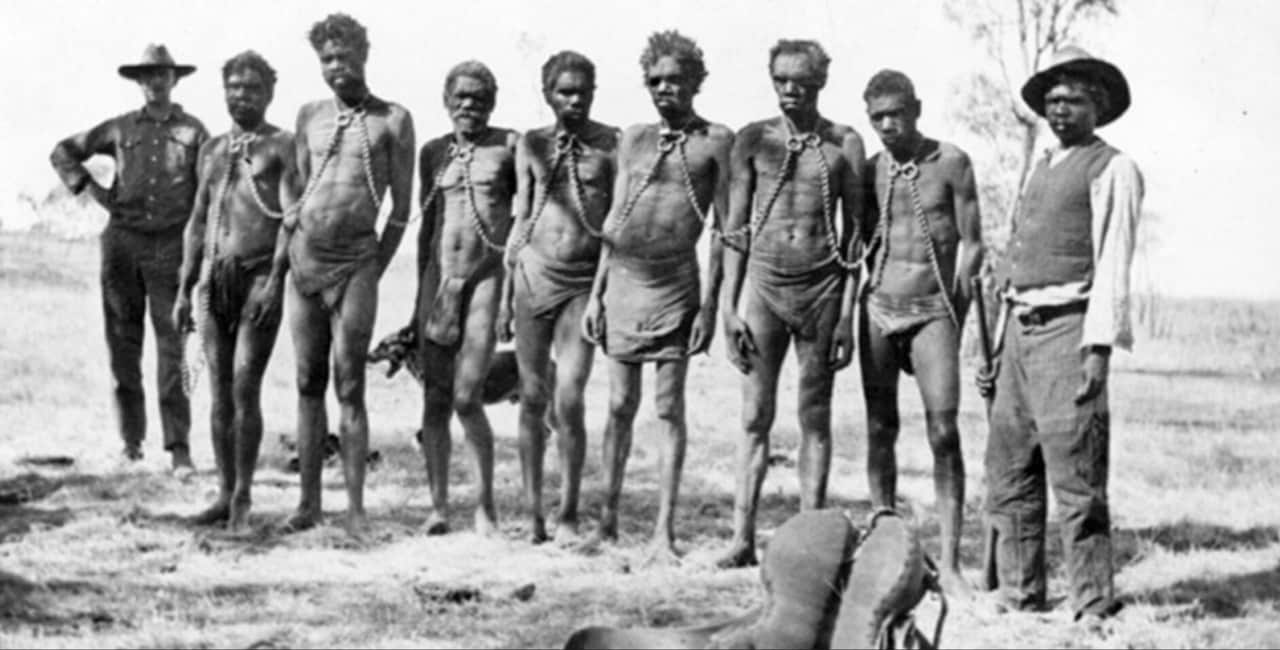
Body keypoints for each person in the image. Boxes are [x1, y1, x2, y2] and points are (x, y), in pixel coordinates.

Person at [976, 46, 1142, 623]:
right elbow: (1014, 260)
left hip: (1069, 332)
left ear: (1097, 106)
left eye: (1072, 100)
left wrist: (1097, 349)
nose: (1060, 110)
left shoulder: (1113, 167)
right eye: (1051, 102)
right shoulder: (1042, 164)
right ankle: (1020, 597)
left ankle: (1093, 605)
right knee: (1010, 470)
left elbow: (1113, 261)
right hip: (1018, 333)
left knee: (1077, 478)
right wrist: (995, 347)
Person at [581, 30, 731, 563]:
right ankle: (606, 522)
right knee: (620, 405)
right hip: (623, 281)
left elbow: (725, 232)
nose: (664, 88)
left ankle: (664, 533)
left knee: (668, 408)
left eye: (675, 80)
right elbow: (614, 218)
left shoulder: (717, 141)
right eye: (655, 80)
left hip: (676, 286)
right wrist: (597, 293)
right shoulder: (634, 139)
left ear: (696, 81)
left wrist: (712, 308)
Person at [716, 40, 865, 569]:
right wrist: (728, 308)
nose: (789, 89)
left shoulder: (844, 144)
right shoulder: (752, 140)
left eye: (800, 80)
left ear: (820, 82)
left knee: (814, 415)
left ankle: (809, 542)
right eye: (779, 78)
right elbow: (734, 229)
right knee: (755, 415)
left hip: (823, 291)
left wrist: (848, 311)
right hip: (762, 287)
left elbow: (856, 239)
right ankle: (741, 537)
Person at [279, 14, 415, 539]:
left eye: (345, 56)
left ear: (364, 54)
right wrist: (293, 232)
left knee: (350, 383)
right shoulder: (309, 115)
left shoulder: (393, 120)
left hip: (357, 262)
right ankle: (309, 504)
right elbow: (295, 183)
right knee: (308, 381)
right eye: (327, 59)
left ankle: (356, 511)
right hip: (305, 261)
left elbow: (401, 208)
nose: (337, 67)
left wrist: (375, 266)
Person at [50, 44, 208, 474]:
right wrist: (90, 188)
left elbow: (209, 193)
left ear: (175, 80)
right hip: (121, 245)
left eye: (163, 74)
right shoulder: (119, 129)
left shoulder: (195, 132)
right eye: (148, 76)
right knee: (123, 347)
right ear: (138, 82)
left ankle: (178, 448)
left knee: (172, 348)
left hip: (170, 249)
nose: (155, 82)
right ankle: (131, 443)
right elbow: (64, 151)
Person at [858, 69, 983, 595]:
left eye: (896, 113)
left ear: (917, 108)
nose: (888, 125)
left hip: (934, 309)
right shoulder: (870, 170)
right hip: (880, 308)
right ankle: (885, 546)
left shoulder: (950, 162)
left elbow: (974, 243)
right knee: (881, 428)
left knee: (942, 432)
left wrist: (956, 309)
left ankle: (951, 564)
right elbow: (860, 242)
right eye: (877, 117)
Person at [173, 51, 295, 532]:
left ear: (269, 93)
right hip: (212, 280)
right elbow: (197, 221)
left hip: (257, 279)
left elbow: (291, 219)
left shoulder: (282, 146)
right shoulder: (212, 150)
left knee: (246, 386)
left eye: (252, 87)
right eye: (234, 87)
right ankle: (223, 493)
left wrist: (275, 280)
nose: (242, 95)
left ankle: (244, 497)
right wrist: (185, 289)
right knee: (218, 392)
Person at [499, 51, 619, 544]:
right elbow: (522, 216)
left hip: (581, 284)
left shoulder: (611, 145)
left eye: (581, 91)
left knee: (568, 397)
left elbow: (615, 223)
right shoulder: (531, 143)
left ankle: (568, 513)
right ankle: (533, 515)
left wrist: (604, 294)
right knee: (531, 396)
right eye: (564, 91)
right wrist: (508, 295)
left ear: (593, 92)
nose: (573, 99)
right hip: (532, 278)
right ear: (547, 94)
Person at [415, 60, 518, 537]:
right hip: (439, 283)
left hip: (485, 280)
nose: (468, 106)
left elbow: (522, 222)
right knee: (435, 399)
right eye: (460, 97)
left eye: (478, 97)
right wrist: (421, 297)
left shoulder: (510, 147)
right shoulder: (433, 152)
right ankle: (438, 507)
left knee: (466, 395)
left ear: (491, 102)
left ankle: (485, 507)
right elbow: (427, 227)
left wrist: (508, 299)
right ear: (446, 100)